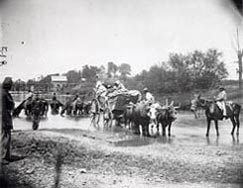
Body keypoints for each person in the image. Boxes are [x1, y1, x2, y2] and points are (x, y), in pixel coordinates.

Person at [1, 77, 15, 165]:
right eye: (10, 84)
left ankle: (6, 156)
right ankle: (2, 158)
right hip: (3, 117)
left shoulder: (5, 93)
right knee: (4, 137)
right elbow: (2, 109)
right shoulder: (3, 94)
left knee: (7, 137)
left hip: (6, 116)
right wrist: (5, 121)